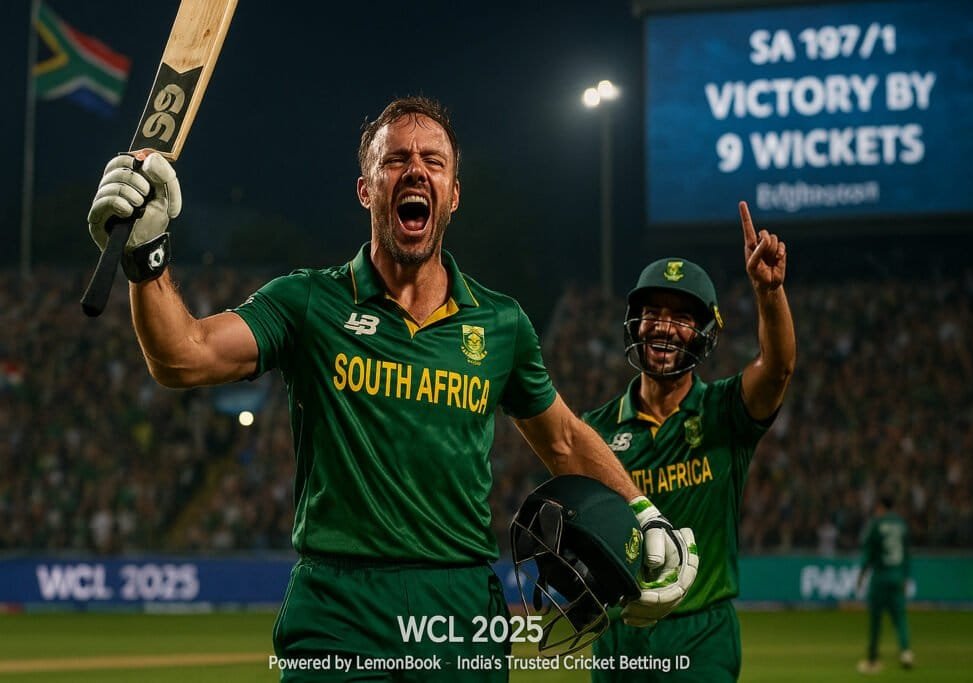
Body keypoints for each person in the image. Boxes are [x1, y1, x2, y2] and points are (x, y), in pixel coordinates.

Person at [86, 96, 696, 681]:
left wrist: (644, 513)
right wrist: (146, 254)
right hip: (338, 606)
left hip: (458, 605)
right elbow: (183, 357)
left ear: (453, 195)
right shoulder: (307, 301)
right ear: (366, 190)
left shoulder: (502, 323)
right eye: (395, 159)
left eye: (434, 161)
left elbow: (563, 438)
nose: (416, 170)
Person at [581, 202, 796, 682]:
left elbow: (778, 368)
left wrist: (769, 293)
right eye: (652, 313)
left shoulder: (725, 412)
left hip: (702, 635)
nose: (663, 326)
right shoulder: (594, 430)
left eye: (681, 316)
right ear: (634, 323)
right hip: (620, 635)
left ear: (704, 333)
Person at [856, 494, 913, 674]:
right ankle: (906, 652)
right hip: (897, 576)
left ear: (880, 506)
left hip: (880, 577)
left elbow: (868, 553)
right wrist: (906, 577)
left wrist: (861, 576)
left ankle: (872, 660)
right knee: (900, 618)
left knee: (876, 620)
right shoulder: (902, 525)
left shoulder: (876, 524)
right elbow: (907, 554)